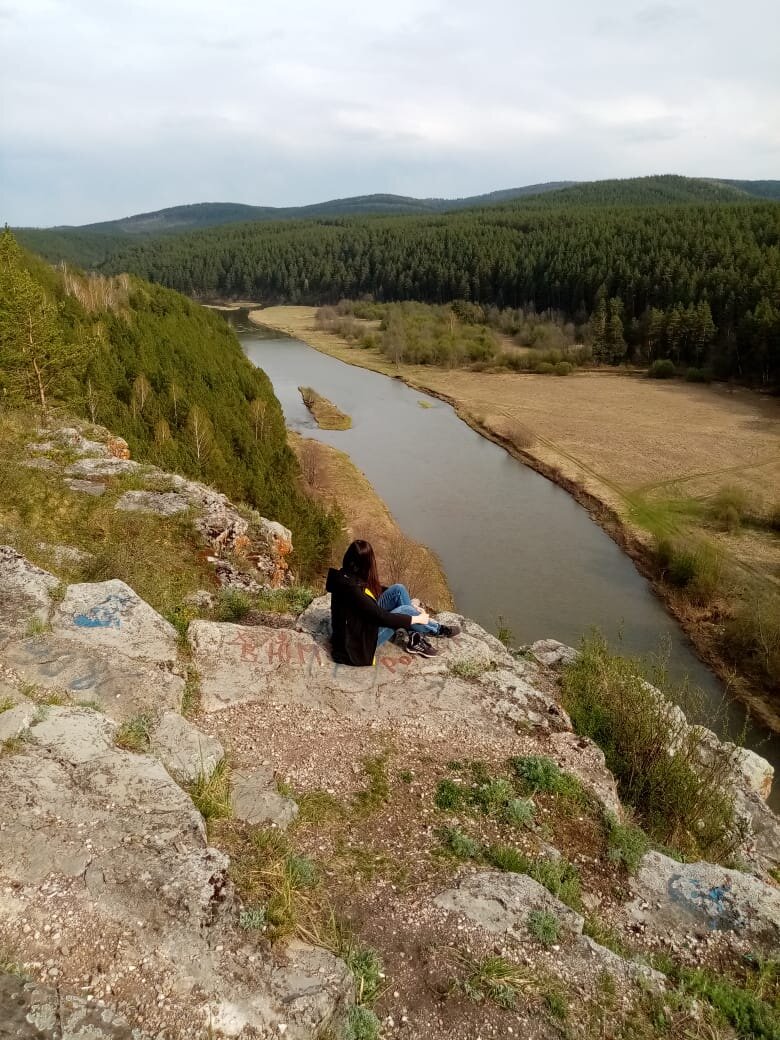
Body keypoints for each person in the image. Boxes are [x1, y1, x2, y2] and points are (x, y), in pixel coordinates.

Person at [325, 539, 460, 666]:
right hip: (357, 646)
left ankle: (414, 635)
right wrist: (419, 618)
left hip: (358, 628)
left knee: (398, 590)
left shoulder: (345, 575)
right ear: (365, 564)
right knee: (407, 611)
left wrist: (411, 610)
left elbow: (369, 596)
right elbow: (382, 617)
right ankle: (439, 630)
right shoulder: (352, 591)